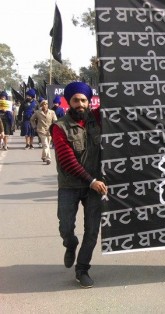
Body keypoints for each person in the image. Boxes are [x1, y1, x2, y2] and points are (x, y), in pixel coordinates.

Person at [51, 82, 107, 288]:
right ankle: (70, 243)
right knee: (66, 227)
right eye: (76, 100)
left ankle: (82, 269)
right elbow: (67, 161)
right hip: (70, 186)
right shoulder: (59, 127)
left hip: (95, 186)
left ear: (89, 101)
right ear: (69, 101)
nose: (81, 104)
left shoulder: (97, 119)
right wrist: (91, 181)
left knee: (92, 231)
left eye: (84, 100)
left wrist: (105, 68)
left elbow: (114, 97)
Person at [30, 100, 57, 165]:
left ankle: (43, 156)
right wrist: (34, 127)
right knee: (45, 144)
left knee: (47, 144)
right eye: (44, 104)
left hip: (49, 131)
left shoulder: (52, 112)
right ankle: (48, 158)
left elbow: (55, 120)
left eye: (46, 104)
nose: (45, 105)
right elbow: (32, 119)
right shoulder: (37, 112)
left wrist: (55, 127)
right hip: (41, 130)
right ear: (41, 105)